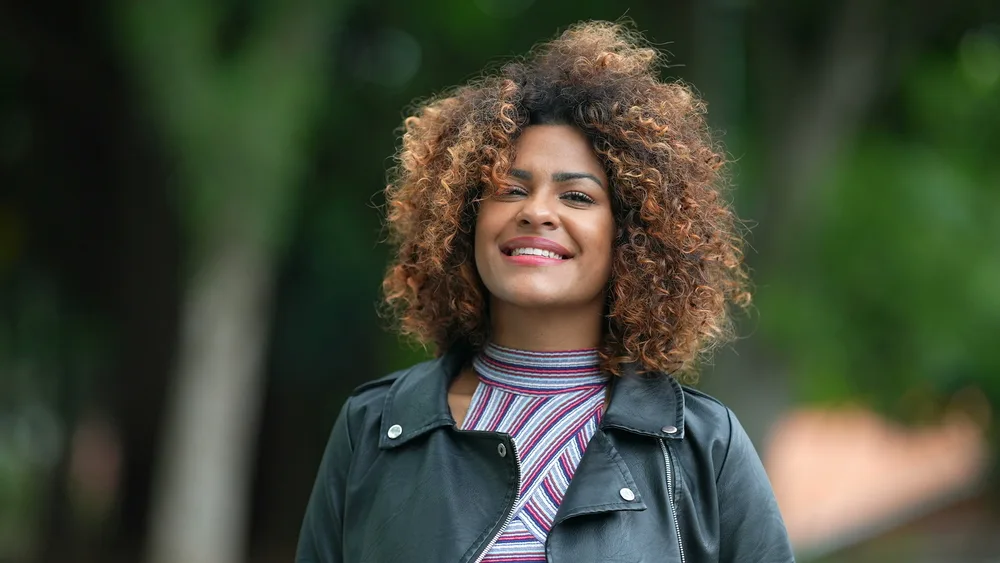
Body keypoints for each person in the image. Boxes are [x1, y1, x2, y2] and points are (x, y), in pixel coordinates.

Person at [296, 20, 795, 563]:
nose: (536, 211)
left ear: (632, 235)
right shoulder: (374, 427)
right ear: (464, 219)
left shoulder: (704, 447)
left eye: (577, 197)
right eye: (510, 190)